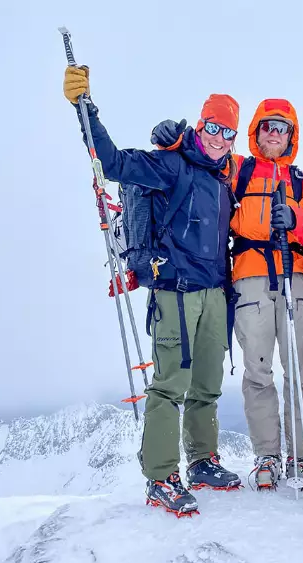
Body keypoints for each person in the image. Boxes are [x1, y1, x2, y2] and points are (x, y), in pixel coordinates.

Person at [63, 66, 242, 517]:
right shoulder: (170, 164)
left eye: (228, 132)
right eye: (213, 127)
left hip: (215, 294)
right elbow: (113, 163)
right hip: (175, 291)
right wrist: (86, 111)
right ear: (200, 125)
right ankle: (161, 477)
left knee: (207, 385)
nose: (219, 138)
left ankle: (202, 460)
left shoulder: (224, 177)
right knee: (169, 386)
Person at [152, 99, 303, 493]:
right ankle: (267, 455)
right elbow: (202, 160)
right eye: (267, 126)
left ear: (291, 135)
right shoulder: (238, 169)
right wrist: (172, 142)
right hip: (248, 278)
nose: (274, 133)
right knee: (258, 372)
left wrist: (296, 220)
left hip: (294, 275)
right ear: (256, 131)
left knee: (301, 371)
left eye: (282, 127)